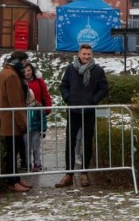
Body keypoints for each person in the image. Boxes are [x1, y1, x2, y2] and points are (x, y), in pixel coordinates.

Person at [56, 43, 109, 188]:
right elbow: (63, 86)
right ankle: (69, 174)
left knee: (87, 143)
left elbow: (104, 88)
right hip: (73, 111)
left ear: (92, 55)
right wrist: (68, 97)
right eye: (84, 54)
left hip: (89, 112)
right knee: (70, 143)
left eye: (89, 54)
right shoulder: (71, 69)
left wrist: (94, 99)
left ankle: (84, 173)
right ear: (79, 54)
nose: (86, 56)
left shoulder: (97, 70)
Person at [0, 50, 34, 192]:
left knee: (14, 151)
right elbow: (15, 103)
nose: (25, 66)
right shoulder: (12, 76)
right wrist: (23, 123)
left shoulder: (5, 72)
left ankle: (16, 179)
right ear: (20, 61)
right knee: (12, 152)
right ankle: (12, 181)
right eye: (24, 62)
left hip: (9, 119)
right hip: (12, 121)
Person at [23, 62, 52, 172]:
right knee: (26, 145)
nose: (27, 73)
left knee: (35, 144)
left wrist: (47, 109)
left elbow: (45, 94)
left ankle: (37, 163)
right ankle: (27, 163)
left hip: (37, 112)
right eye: (25, 71)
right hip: (25, 114)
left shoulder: (39, 81)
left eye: (29, 70)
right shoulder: (20, 82)